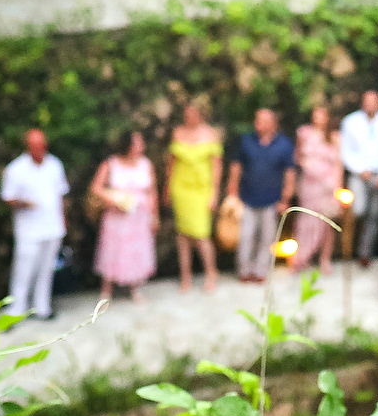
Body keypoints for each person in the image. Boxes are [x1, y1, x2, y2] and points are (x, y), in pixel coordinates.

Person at [0, 128, 69, 322]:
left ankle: (42, 307)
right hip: (29, 229)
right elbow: (8, 197)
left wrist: (63, 219)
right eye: (35, 146)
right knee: (24, 268)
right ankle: (17, 308)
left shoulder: (55, 164)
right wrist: (25, 203)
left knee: (47, 268)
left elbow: (61, 194)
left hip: (52, 226)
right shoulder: (16, 169)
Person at [223, 107, 296, 283]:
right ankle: (244, 271)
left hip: (272, 199)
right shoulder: (246, 141)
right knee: (246, 236)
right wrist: (232, 188)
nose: (258, 125)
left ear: (273, 124)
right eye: (256, 120)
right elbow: (236, 165)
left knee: (266, 238)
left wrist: (286, 198)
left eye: (262, 121)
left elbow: (290, 173)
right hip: (247, 198)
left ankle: (261, 272)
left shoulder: (284, 145)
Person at [91, 131, 157, 300]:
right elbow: (96, 188)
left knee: (136, 249)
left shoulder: (146, 164)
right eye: (138, 142)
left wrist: (154, 215)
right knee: (113, 250)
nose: (142, 146)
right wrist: (114, 199)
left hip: (139, 216)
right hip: (116, 216)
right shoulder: (111, 164)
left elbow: (152, 192)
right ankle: (106, 290)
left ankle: (135, 287)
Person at [338, 89, 378, 266]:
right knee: (358, 210)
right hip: (359, 174)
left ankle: (365, 253)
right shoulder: (350, 122)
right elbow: (346, 151)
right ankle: (349, 247)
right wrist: (359, 169)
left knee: (374, 216)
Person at [165, 103, 222, 293]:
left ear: (200, 115)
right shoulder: (178, 133)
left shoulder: (210, 134)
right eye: (186, 114)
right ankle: (185, 276)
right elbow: (171, 164)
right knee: (183, 235)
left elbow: (216, 167)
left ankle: (211, 272)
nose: (188, 118)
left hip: (201, 189)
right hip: (181, 188)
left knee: (201, 234)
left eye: (192, 114)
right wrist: (167, 188)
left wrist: (214, 193)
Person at [290, 105, 344, 274]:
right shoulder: (304, 133)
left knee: (326, 223)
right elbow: (297, 155)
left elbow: (338, 164)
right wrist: (307, 164)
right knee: (306, 221)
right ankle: (301, 257)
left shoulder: (334, 137)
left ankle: (324, 259)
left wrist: (338, 187)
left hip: (327, 186)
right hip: (309, 185)